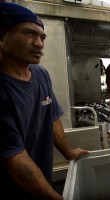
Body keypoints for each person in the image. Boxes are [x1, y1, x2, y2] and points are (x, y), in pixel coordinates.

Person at [0, 2, 89, 199]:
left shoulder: (40, 74)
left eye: (42, 37)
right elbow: (16, 158)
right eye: (28, 33)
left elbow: (51, 118)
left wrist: (68, 152)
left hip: (41, 179)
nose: (39, 43)